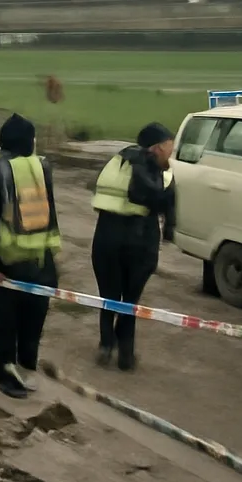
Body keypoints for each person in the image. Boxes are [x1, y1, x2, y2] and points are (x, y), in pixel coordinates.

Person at [0, 113, 61, 399]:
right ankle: (6, 376)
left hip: (35, 261)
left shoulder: (40, 168)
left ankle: (24, 370)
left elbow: (48, 214)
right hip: (10, 263)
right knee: (9, 323)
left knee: (28, 323)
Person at [90, 123, 176, 371]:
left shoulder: (116, 162)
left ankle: (106, 346)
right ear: (159, 146)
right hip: (140, 239)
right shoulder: (162, 171)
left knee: (108, 297)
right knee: (130, 300)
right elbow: (168, 209)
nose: (172, 150)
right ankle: (126, 354)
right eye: (170, 144)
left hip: (106, 235)